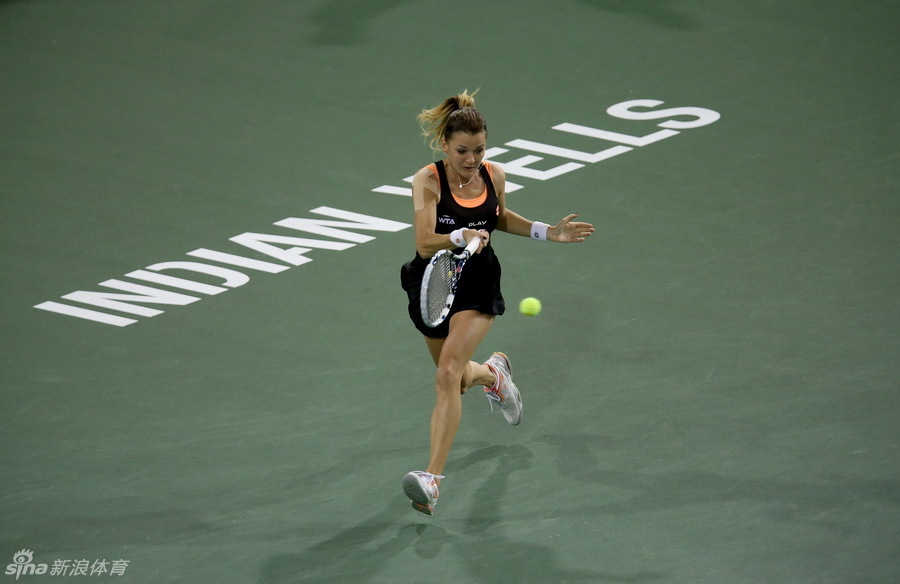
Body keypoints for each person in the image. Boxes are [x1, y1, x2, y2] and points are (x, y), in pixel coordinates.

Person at [399, 90, 595, 515]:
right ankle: (493, 375)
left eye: (480, 149)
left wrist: (547, 232)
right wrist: (460, 236)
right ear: (445, 145)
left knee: (446, 374)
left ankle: (432, 480)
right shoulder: (427, 181)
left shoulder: (494, 175)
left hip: (477, 282)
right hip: (432, 280)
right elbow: (424, 241)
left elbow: (498, 216)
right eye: (462, 151)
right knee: (455, 379)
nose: (472, 159)